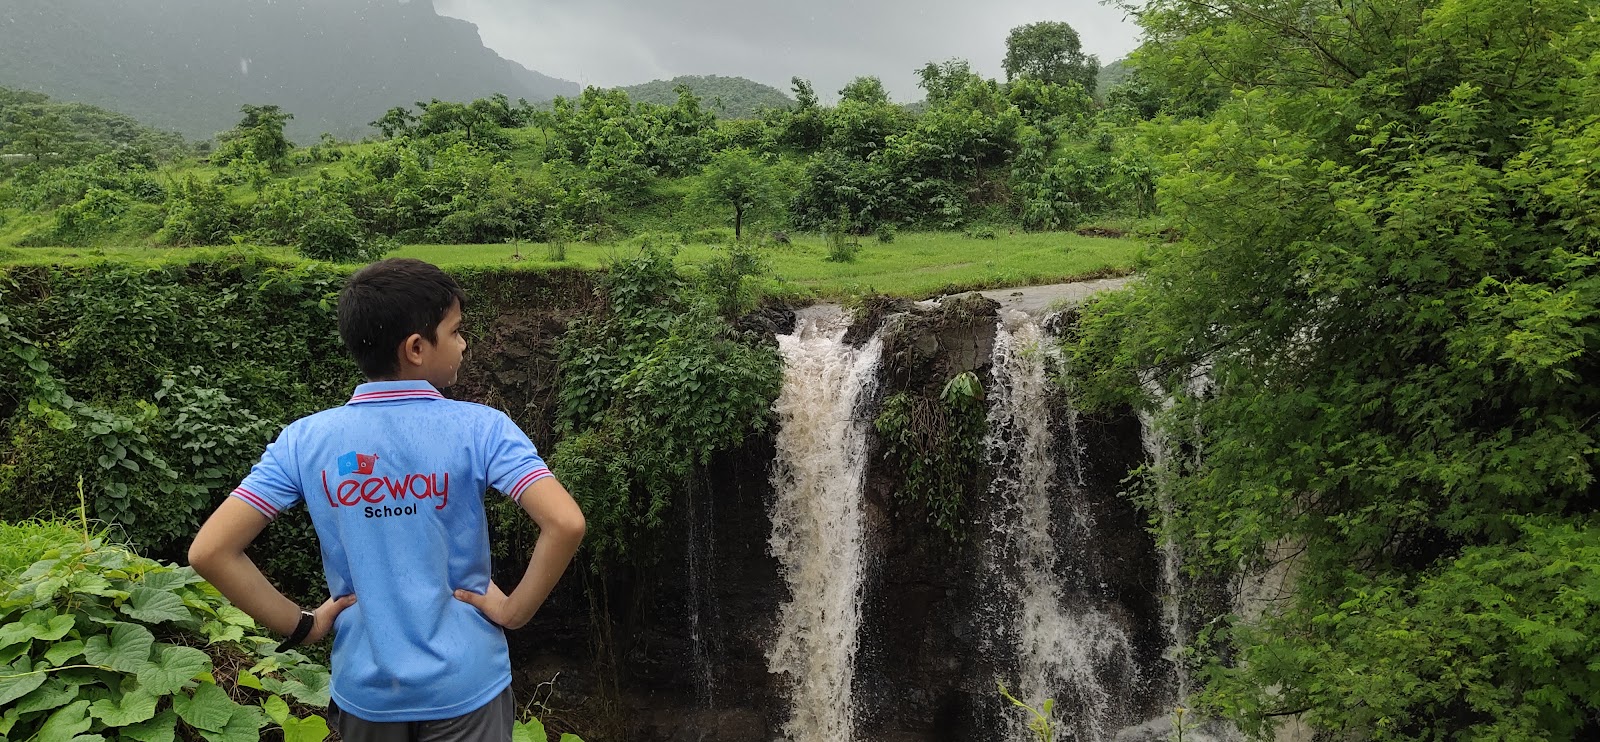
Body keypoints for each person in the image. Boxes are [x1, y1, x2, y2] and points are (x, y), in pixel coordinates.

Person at [189, 258, 586, 741]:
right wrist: (514, 612)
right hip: (467, 685)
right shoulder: (482, 428)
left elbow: (210, 552)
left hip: (367, 689)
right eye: (457, 331)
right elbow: (565, 523)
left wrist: (302, 627)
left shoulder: (305, 440)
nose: (464, 344)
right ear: (417, 348)